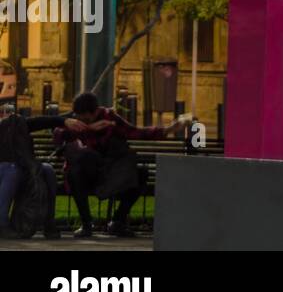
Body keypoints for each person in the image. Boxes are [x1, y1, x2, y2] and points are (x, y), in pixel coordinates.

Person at [55, 91, 187, 239]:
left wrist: (167, 129)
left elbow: (135, 132)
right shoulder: (73, 119)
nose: (81, 121)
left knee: (141, 174)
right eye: (79, 118)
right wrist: (90, 128)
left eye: (85, 119)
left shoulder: (109, 118)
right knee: (75, 171)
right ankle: (86, 224)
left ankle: (118, 221)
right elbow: (58, 135)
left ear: (95, 111)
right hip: (86, 175)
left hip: (110, 173)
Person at [0, 103, 83, 239]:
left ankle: (49, 222)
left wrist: (64, 121)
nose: (6, 115)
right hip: (7, 172)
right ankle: (2, 224)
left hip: (21, 170)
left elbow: (40, 121)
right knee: (11, 170)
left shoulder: (16, 125)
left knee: (47, 170)